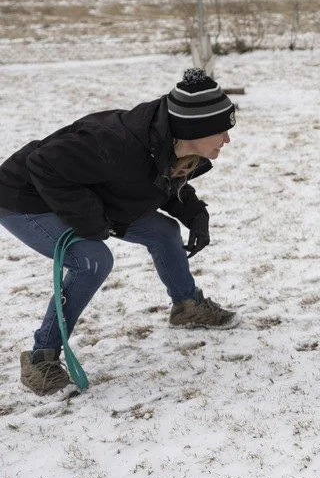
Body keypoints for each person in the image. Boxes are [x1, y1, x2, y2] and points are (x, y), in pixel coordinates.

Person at [0, 67, 238, 396]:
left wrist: (194, 213)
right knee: (92, 258)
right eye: (222, 130)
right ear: (194, 127)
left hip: (87, 195)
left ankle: (187, 307)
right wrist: (90, 221)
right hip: (24, 195)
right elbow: (42, 163)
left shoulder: (169, 143)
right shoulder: (118, 142)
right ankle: (42, 357)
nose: (228, 139)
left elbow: (152, 182)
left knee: (163, 231)